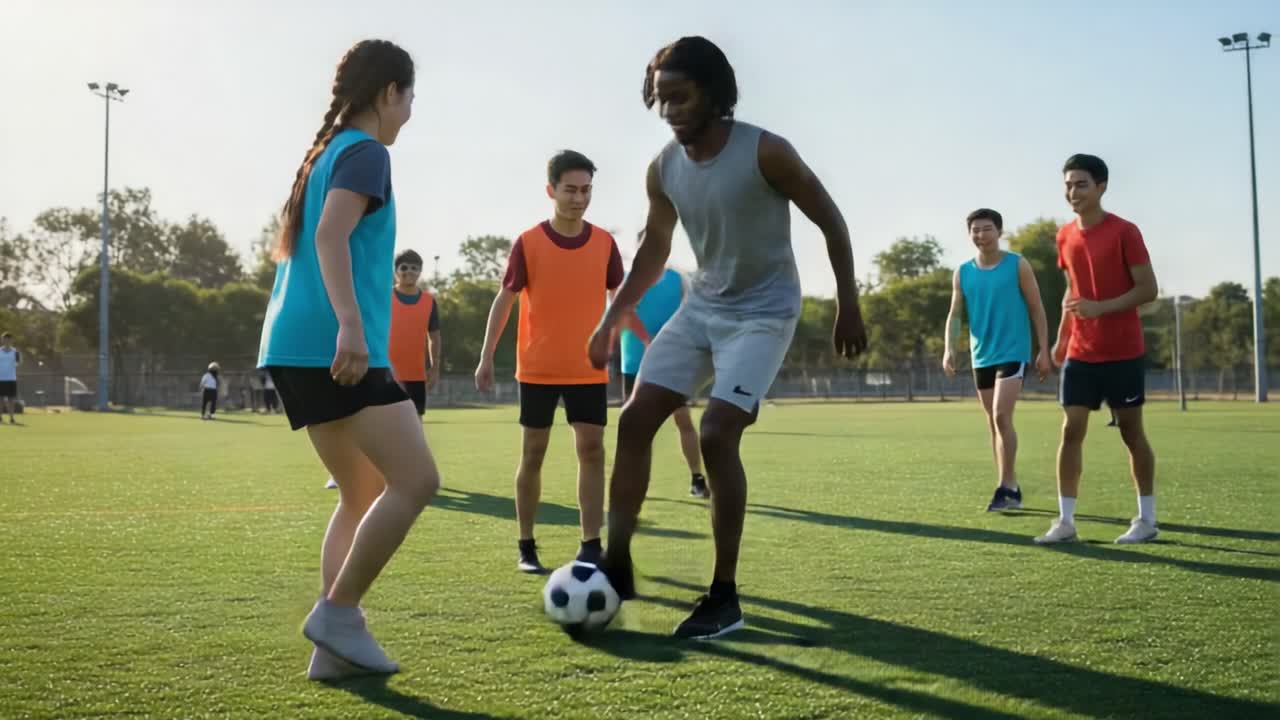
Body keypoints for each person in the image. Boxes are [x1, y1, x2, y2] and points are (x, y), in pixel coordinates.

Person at [586, 36, 867, 640]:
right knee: (634, 421)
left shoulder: (767, 152)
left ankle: (723, 595)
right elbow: (655, 249)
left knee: (716, 433)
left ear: (713, 95)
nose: (671, 111)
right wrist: (614, 317)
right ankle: (617, 561)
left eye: (681, 98)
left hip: (764, 313)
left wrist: (849, 302)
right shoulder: (663, 168)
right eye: (662, 101)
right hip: (703, 306)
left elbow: (832, 220)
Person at [257, 39, 439, 680]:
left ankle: (331, 651)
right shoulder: (366, 152)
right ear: (389, 92)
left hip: (291, 344)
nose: (411, 109)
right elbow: (332, 235)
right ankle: (339, 615)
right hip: (333, 346)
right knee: (418, 482)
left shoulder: (326, 152)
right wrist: (354, 329)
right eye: (411, 95)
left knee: (360, 491)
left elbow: (319, 239)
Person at [474, 150, 627, 574]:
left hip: (587, 368)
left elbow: (620, 297)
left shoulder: (604, 243)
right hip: (538, 368)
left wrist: (617, 340)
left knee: (592, 450)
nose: (579, 198)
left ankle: (591, 546)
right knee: (533, 454)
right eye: (571, 190)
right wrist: (487, 355)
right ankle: (526, 546)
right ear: (551, 191)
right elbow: (505, 299)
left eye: (586, 190)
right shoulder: (529, 242)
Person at [1037, 154, 1159, 545]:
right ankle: (1066, 521)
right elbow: (1073, 292)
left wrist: (1101, 308)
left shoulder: (1125, 232)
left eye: (1081, 184)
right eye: (1068, 185)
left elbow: (1148, 290)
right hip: (1081, 352)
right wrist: (1061, 338)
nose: (1073, 192)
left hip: (1123, 350)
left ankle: (1146, 520)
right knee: (1070, 430)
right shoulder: (1064, 235)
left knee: (1130, 432)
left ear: (1101, 187)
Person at [943, 208, 1051, 511]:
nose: (981, 235)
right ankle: (1007, 483)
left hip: (1014, 351)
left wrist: (1043, 349)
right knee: (993, 422)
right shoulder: (962, 272)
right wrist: (948, 348)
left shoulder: (1018, 265)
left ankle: (1007, 488)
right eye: (975, 230)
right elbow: (955, 314)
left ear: (999, 232)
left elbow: (1036, 307)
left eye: (987, 229)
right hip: (982, 356)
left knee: (1002, 415)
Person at [327, 249, 440, 489]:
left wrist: (435, 366)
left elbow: (434, 337)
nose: (409, 272)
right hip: (381, 368)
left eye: (414, 268)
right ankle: (344, 472)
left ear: (420, 271)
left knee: (415, 422)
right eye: (404, 267)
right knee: (367, 421)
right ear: (396, 271)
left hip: (415, 372)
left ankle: (413, 471)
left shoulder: (429, 301)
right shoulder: (383, 297)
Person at [618, 246, 708, 498]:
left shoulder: (677, 280)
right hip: (636, 363)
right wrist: (649, 342)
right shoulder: (629, 280)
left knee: (683, 420)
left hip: (672, 363)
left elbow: (688, 312)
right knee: (635, 427)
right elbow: (625, 315)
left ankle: (697, 479)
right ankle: (632, 482)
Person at [0, 332, 19, 424]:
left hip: (11, 378)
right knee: (1, 399)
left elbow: (18, 362)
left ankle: (11, 418)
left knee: (11, 400)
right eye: (5, 339)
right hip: (1, 379)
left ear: (11, 340)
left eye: (8, 339)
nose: (6, 341)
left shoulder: (15, 352)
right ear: (2, 340)